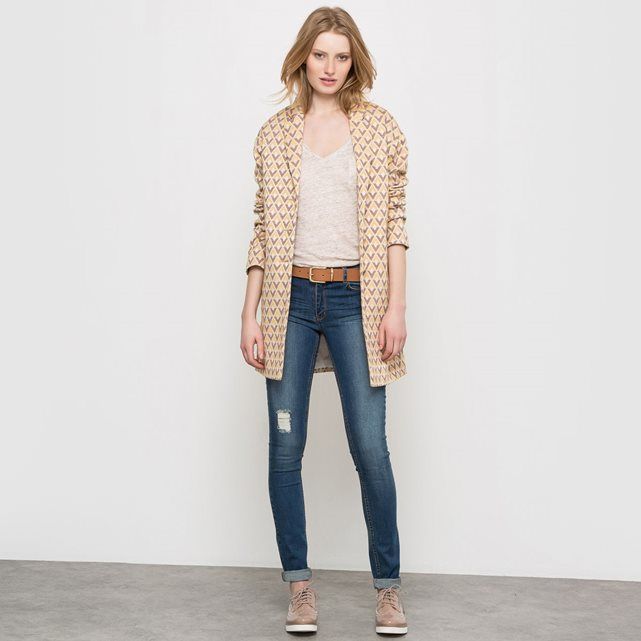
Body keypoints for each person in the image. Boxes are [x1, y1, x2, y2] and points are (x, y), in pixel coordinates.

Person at [240, 6, 410, 635]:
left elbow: (395, 224)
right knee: (286, 449)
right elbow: (262, 229)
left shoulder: (381, 128)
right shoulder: (274, 134)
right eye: (320, 55)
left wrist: (395, 306)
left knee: (370, 448)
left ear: (353, 61)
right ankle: (300, 587)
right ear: (303, 59)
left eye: (341, 56)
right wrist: (249, 313)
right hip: (288, 303)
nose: (330, 67)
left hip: (357, 300)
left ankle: (387, 590)